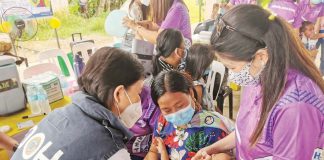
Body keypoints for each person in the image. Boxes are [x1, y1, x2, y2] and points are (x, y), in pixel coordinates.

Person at [192, 4, 324, 160]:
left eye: (232, 67)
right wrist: (213, 148)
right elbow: (247, 133)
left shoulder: (296, 107)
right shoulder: (257, 77)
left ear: (261, 56)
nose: (230, 76)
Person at [11, 47, 146, 160]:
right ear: (119, 94)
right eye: (138, 92)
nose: (139, 99)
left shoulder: (57, 115)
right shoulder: (110, 150)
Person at [145, 70, 234, 160]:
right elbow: (153, 151)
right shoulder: (162, 121)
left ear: (191, 93)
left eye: (180, 106)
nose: (175, 113)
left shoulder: (212, 131)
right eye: (166, 110)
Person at [123, 0, 192, 48]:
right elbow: (159, 27)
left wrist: (136, 27)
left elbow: (159, 39)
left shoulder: (176, 9)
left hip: (180, 54)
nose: (151, 2)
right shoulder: (173, 5)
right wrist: (145, 25)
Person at [185, 44, 215, 111]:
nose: (210, 67)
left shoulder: (196, 77)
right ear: (200, 67)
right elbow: (198, 110)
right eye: (208, 65)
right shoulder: (197, 87)